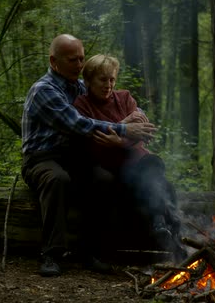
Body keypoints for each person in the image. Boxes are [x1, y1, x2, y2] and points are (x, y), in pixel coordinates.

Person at [21, 34, 157, 277]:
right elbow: (78, 124)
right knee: (57, 180)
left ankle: (91, 251)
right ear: (54, 62)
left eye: (82, 58)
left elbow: (115, 99)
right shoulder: (43, 90)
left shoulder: (80, 86)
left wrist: (139, 116)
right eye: (73, 60)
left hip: (74, 155)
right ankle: (51, 254)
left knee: (103, 180)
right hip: (42, 158)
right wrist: (125, 127)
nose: (80, 65)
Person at [73, 54, 182, 258]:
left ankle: (161, 226)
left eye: (112, 79)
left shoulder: (124, 98)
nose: (109, 85)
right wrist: (126, 127)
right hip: (110, 165)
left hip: (139, 162)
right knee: (158, 183)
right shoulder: (82, 106)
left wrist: (118, 141)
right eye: (102, 79)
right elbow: (94, 143)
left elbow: (143, 134)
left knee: (153, 165)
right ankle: (165, 229)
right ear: (88, 81)